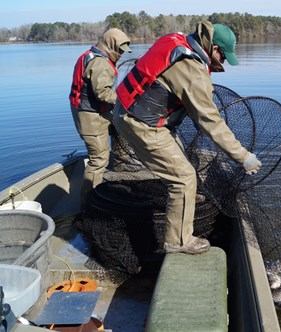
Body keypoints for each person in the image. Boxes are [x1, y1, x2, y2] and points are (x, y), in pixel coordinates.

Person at [113, 21, 262, 255]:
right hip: (141, 123)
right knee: (183, 178)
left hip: (128, 108)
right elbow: (210, 122)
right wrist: (243, 156)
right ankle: (178, 241)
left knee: (182, 166)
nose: (223, 63)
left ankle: (185, 200)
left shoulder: (177, 40)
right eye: (223, 57)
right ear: (213, 49)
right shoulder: (192, 70)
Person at [69, 28, 132, 207]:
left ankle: (120, 171)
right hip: (90, 117)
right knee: (99, 160)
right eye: (119, 50)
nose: (121, 55)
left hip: (93, 112)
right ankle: (90, 205)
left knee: (121, 128)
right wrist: (125, 100)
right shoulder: (100, 63)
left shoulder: (89, 55)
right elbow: (103, 94)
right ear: (111, 45)